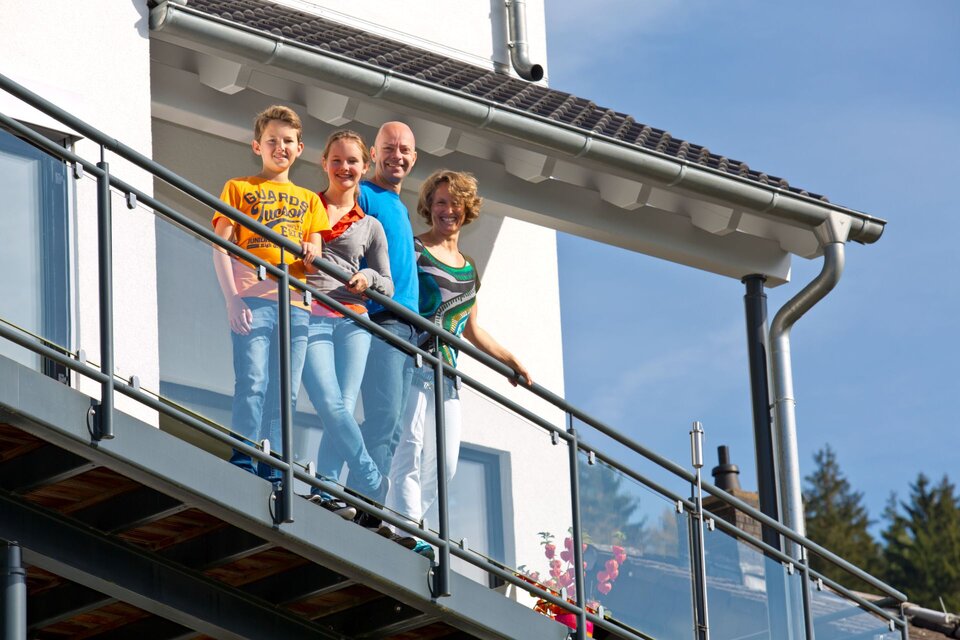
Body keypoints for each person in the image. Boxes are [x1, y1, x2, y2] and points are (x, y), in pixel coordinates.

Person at [386, 170, 532, 558]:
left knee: (446, 463)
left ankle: (401, 520)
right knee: (410, 446)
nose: (447, 210)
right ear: (429, 207)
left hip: (447, 372)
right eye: (439, 202)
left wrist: (509, 360)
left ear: (466, 209)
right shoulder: (414, 250)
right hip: (411, 361)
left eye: (454, 203)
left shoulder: (469, 269)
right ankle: (407, 529)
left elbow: (471, 328)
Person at [212, 105, 328, 483]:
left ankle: (275, 466)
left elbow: (316, 256)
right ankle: (244, 458)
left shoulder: (310, 201)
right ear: (256, 146)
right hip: (253, 299)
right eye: (272, 141)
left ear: (300, 149)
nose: (280, 147)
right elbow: (220, 246)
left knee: (286, 393)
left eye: (288, 141)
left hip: (296, 304)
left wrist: (312, 254)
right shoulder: (239, 187)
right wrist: (232, 298)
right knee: (253, 381)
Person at [298, 130, 393, 519]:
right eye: (336, 160)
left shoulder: (370, 225)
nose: (344, 167)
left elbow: (388, 283)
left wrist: (367, 279)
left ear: (364, 166)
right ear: (324, 163)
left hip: (354, 320)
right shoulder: (306, 208)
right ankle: (369, 477)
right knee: (330, 404)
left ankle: (328, 489)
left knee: (341, 405)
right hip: (310, 313)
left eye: (352, 161)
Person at [353, 122, 420, 527]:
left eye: (405, 149)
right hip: (382, 317)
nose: (397, 155)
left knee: (391, 425)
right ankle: (365, 506)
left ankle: (361, 500)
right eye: (389, 148)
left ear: (415, 158)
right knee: (383, 419)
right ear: (374, 154)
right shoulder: (364, 193)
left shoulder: (397, 205)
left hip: (407, 326)